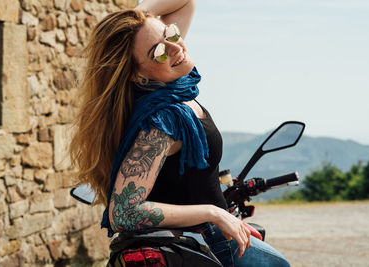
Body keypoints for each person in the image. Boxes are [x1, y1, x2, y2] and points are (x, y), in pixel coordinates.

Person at [70, 0, 290, 266]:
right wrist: (214, 214)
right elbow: (124, 211)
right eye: (159, 51)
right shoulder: (165, 118)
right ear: (137, 75)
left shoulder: (165, 84)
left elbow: (185, 3)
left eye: (170, 34)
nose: (176, 47)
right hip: (208, 241)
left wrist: (137, 19)